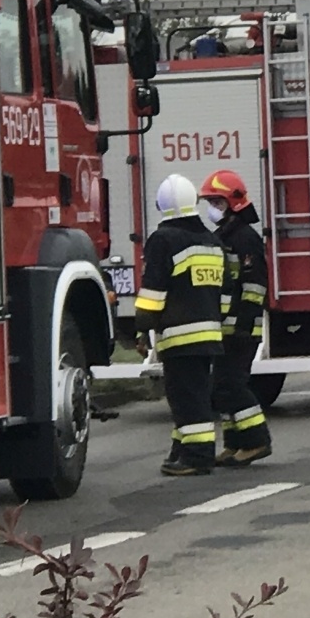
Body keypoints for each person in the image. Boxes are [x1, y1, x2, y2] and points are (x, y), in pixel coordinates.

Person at [136, 173, 228, 476]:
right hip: (210, 335)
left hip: (179, 337)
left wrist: (142, 329)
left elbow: (153, 292)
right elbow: (224, 292)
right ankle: (181, 450)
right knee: (191, 396)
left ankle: (197, 457)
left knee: (187, 399)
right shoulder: (212, 241)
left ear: (161, 205)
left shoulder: (163, 240)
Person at [199, 169, 274, 466]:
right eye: (210, 203)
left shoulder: (245, 239)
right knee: (221, 387)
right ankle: (234, 443)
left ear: (234, 203)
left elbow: (255, 286)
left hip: (241, 329)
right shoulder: (223, 237)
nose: (212, 209)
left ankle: (256, 441)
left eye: (217, 202)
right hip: (225, 329)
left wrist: (244, 323)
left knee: (233, 385)